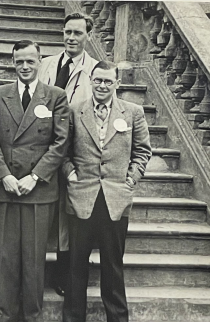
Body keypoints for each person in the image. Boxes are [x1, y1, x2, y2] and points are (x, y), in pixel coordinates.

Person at [0, 12, 99, 297]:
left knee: (63, 226)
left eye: (78, 33)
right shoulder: (45, 64)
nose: (71, 38)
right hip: (32, 153)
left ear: (89, 36)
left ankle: (61, 278)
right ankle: (7, 281)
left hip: (71, 153)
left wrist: (42, 171)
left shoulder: (94, 70)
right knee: (17, 234)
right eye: (67, 32)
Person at [0, 40, 70, 322]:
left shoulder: (55, 96)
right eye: (19, 61)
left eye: (30, 61)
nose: (24, 66)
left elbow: (61, 142)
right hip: (6, 187)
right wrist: (5, 175)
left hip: (39, 189)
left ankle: (33, 315)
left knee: (34, 258)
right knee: (6, 257)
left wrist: (35, 176)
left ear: (40, 61)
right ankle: (3, 313)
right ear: (13, 62)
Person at [62, 60, 152, 322]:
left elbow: (143, 151)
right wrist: (71, 174)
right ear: (91, 80)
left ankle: (117, 318)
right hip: (82, 197)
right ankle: (73, 318)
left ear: (117, 84)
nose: (102, 85)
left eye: (108, 81)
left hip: (116, 199)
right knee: (76, 265)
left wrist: (131, 179)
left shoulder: (132, 112)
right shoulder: (74, 110)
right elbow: (62, 151)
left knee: (113, 266)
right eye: (98, 80)